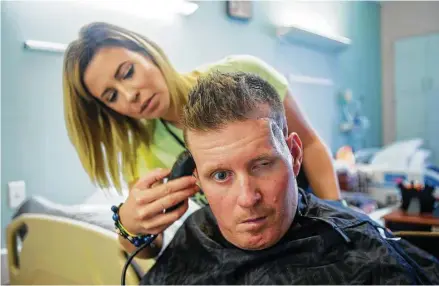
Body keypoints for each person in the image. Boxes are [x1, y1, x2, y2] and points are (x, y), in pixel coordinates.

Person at [63, 22, 341, 258]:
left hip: (309, 219)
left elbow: (311, 145)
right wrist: (129, 227)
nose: (129, 95)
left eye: (128, 73)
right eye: (112, 96)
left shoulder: (243, 75)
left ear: (148, 53)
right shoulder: (143, 154)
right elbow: (150, 249)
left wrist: (336, 216)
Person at [140, 71, 439, 285]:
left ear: (295, 155)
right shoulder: (196, 235)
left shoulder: (366, 256)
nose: (247, 198)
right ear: (198, 180)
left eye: (262, 164)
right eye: (220, 175)